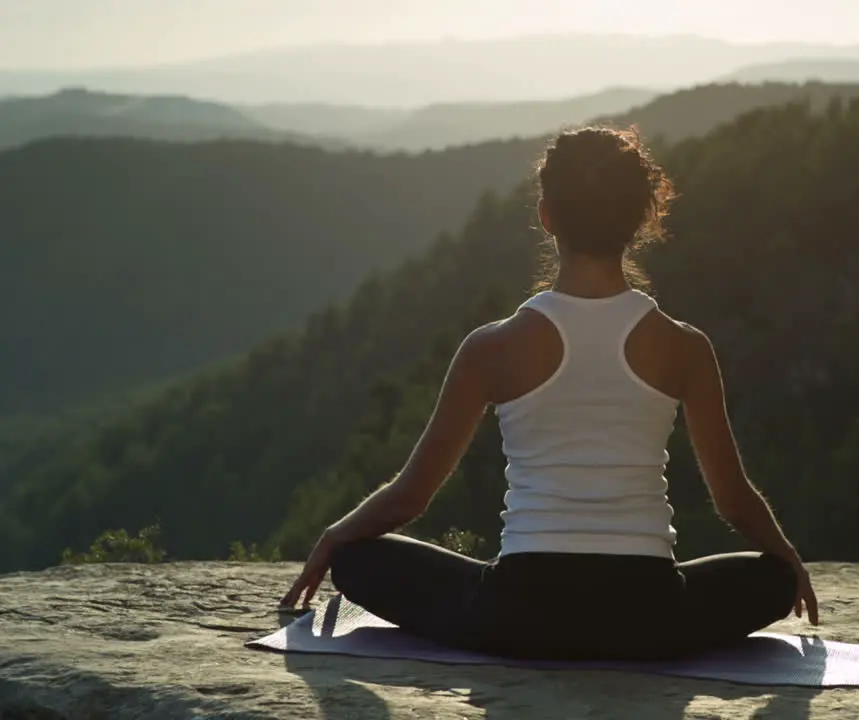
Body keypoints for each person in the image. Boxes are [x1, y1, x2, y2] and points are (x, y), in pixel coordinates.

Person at [279, 125, 819, 662]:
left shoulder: (492, 346)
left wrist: (335, 537)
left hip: (518, 615)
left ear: (546, 217)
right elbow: (733, 499)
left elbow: (410, 496)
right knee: (770, 578)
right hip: (649, 616)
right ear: (640, 220)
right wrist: (789, 559)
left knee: (356, 560)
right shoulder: (684, 346)